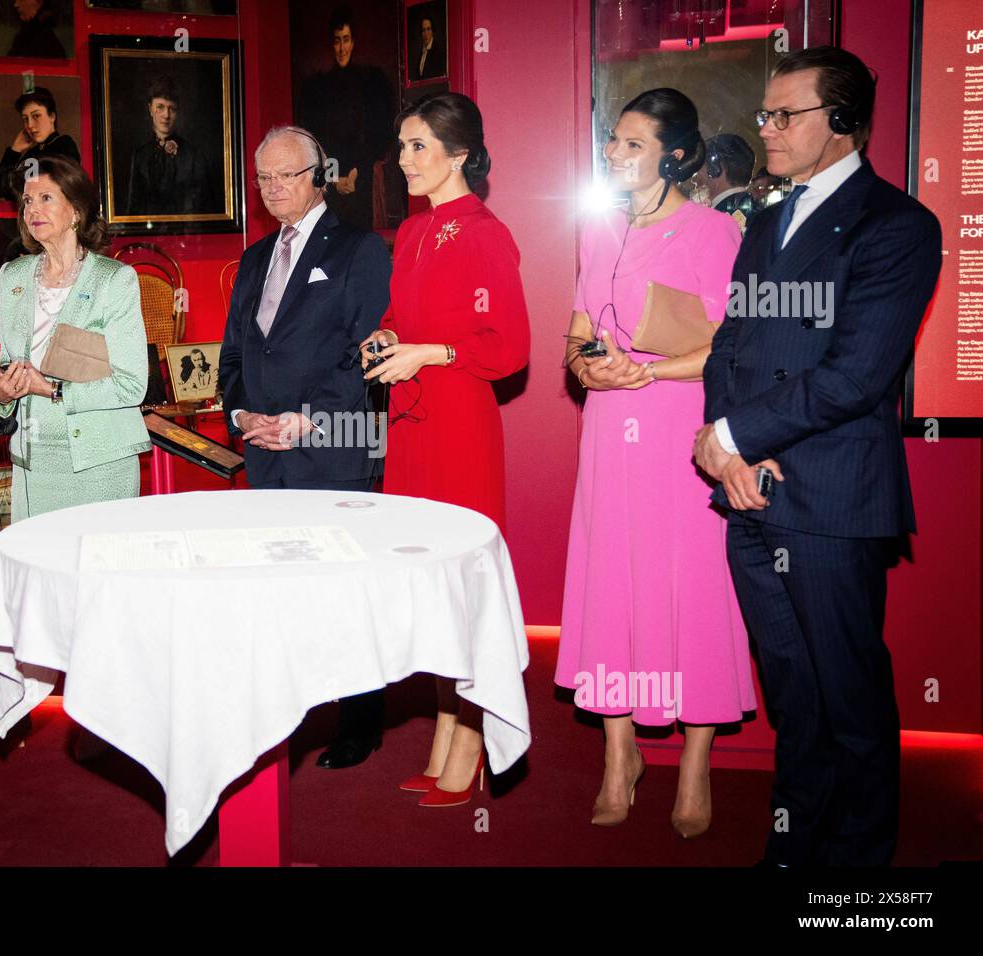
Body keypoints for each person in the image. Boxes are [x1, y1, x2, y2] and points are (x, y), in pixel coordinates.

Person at [696, 46, 942, 866]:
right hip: (750, 494)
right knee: (793, 697)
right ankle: (795, 846)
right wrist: (725, 455)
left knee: (850, 702)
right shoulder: (764, 220)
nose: (764, 129)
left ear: (841, 124)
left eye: (783, 114)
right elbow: (731, 345)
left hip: (831, 500)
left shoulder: (899, 226)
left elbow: (855, 378)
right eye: (763, 114)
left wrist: (734, 438)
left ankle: (860, 875)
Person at [555, 88, 754, 838]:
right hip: (609, 431)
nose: (614, 154)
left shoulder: (713, 231)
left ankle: (695, 766)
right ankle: (620, 755)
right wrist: (586, 368)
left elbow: (729, 345)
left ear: (673, 156)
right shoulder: (597, 231)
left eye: (632, 144)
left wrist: (649, 374)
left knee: (691, 584)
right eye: (613, 141)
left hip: (679, 429)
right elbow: (577, 335)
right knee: (613, 578)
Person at [361, 92, 529, 806]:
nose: (404, 161)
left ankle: (471, 748)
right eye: (401, 147)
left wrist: (428, 351)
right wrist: (388, 337)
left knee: (460, 590)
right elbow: (401, 317)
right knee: (428, 588)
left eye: (419, 146)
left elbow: (509, 348)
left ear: (461, 153)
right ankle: (442, 737)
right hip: (411, 425)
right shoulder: (413, 232)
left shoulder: (487, 233)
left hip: (460, 425)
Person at [0, 154, 151, 764]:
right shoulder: (12, 276)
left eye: (45, 199)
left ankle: (116, 722)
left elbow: (131, 387)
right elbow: (7, 373)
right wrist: (3, 390)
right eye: (26, 201)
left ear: (77, 209)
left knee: (102, 597)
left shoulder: (115, 281)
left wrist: (55, 389)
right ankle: (6, 720)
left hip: (98, 463)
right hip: (34, 462)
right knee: (28, 595)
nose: (33, 211)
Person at [218, 125, 392, 770]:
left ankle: (359, 721)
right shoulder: (256, 256)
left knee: (343, 591)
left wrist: (303, 419)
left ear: (320, 174)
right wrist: (241, 414)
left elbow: (367, 355)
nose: (271, 188)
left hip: (335, 445)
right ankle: (287, 715)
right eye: (262, 177)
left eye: (285, 175)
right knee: (280, 590)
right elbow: (235, 351)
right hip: (265, 451)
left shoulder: (360, 249)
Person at [296, 8, 395, 231]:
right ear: (332, 44)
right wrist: (334, 178)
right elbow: (315, 138)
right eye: (337, 41)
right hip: (331, 180)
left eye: (346, 40)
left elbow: (378, 134)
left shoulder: (370, 82)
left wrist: (355, 172)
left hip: (361, 176)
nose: (342, 48)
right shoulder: (319, 88)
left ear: (353, 42)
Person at [126, 76, 213, 216]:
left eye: (172, 109)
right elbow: (133, 208)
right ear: (150, 109)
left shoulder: (194, 155)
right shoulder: (140, 155)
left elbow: (206, 207)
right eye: (160, 107)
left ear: (178, 112)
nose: (166, 115)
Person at [0, 87, 81, 200]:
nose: (30, 125)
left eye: (36, 116)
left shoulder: (63, 144)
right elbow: (1, 191)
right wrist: (15, 150)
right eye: (25, 119)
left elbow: (67, 189)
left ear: (52, 117)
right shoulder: (32, 153)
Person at [691, 133, 758, 231]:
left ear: (715, 169)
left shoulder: (719, 219)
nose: (694, 179)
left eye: (700, 167)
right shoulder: (751, 210)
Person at [413, 15, 444, 81]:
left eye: (428, 29)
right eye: (423, 30)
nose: (426, 33)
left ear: (432, 31)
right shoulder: (422, 53)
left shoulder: (438, 52)